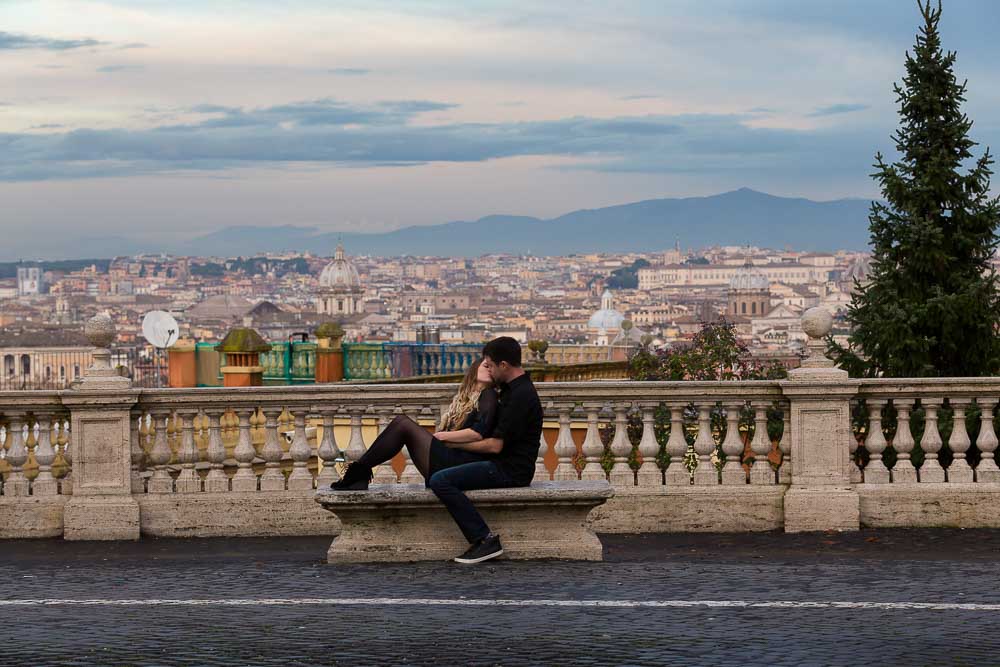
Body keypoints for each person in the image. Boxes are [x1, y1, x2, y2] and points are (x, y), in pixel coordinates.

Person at [331, 336, 543, 565]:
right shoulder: (511, 390)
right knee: (409, 433)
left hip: (509, 470)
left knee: (439, 478)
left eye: (490, 365)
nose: (488, 370)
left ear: (503, 365)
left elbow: (495, 445)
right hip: (499, 463)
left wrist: (449, 442)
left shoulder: (520, 395)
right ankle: (359, 472)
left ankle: (484, 539)